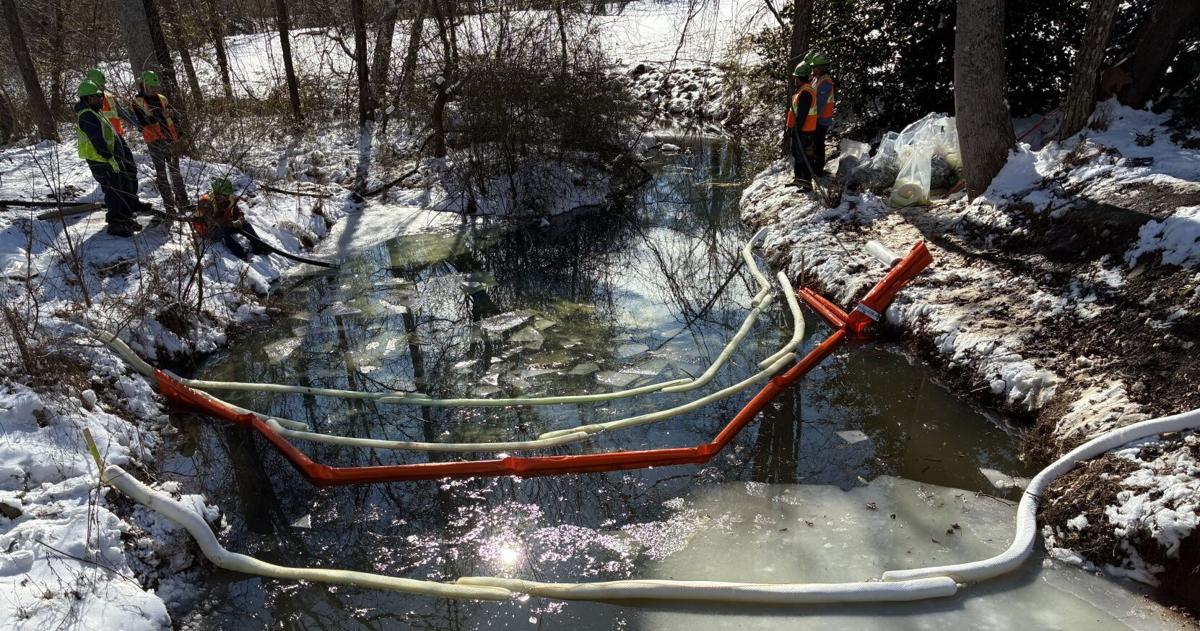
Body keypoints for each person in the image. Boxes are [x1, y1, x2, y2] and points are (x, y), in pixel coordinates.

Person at [75, 80, 140, 237]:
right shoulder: (87, 116)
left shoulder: (94, 112)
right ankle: (115, 223)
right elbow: (97, 139)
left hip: (110, 160)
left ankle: (124, 219)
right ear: (89, 98)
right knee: (113, 191)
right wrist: (109, 156)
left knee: (121, 186)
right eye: (98, 96)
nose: (101, 99)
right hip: (102, 161)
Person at [85, 68, 153, 214]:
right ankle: (120, 212)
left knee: (130, 169)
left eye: (103, 85)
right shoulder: (89, 101)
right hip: (105, 142)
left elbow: (122, 113)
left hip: (118, 138)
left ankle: (132, 202)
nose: (102, 88)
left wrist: (140, 125)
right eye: (100, 85)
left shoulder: (109, 97)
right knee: (116, 178)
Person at [133, 70, 189, 213]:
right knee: (162, 174)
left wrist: (180, 132)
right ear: (143, 85)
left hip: (170, 139)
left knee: (175, 172)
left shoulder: (162, 99)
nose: (153, 89)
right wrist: (160, 115)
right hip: (155, 142)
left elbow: (174, 117)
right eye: (150, 86)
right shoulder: (138, 101)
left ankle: (183, 202)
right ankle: (169, 207)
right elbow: (143, 121)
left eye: (154, 86)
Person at [194, 177, 270, 260]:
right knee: (221, 232)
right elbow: (211, 222)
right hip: (208, 230)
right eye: (225, 195)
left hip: (225, 224)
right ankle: (241, 253)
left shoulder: (229, 198)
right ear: (217, 193)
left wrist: (240, 221)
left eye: (227, 194)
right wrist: (231, 223)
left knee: (246, 225)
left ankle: (258, 246)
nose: (227, 197)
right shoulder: (206, 203)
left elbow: (238, 212)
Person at [786, 62, 818, 190]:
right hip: (803, 129)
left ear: (799, 78)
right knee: (799, 154)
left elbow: (802, 115)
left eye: (796, 77)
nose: (794, 80)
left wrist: (796, 130)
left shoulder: (805, 92)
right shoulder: (803, 90)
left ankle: (806, 182)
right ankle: (800, 179)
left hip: (804, 130)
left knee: (802, 156)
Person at [807, 51, 836, 174]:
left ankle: (818, 169)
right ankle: (814, 166)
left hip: (822, 118)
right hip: (816, 118)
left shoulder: (825, 82)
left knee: (819, 143)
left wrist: (815, 118)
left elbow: (821, 103)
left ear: (821, 68)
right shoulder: (816, 78)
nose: (812, 68)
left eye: (814, 67)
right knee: (815, 142)